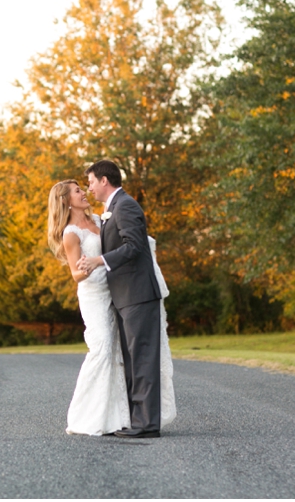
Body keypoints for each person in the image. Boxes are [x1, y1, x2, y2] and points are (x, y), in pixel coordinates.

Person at [48, 166, 175, 439]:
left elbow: (131, 245)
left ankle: (132, 420)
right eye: (79, 190)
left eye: (87, 185)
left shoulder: (102, 216)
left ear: (104, 181)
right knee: (105, 350)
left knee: (129, 355)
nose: (85, 191)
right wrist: (88, 267)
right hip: (97, 294)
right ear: (66, 201)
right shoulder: (71, 232)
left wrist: (99, 261)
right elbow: (76, 273)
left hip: (122, 292)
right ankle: (89, 415)